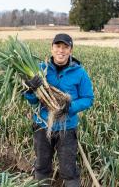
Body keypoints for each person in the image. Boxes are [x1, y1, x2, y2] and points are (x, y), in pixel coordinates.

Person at [24, 33, 94, 187]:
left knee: (69, 170)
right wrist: (30, 90)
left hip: (67, 128)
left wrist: (71, 106)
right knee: (42, 166)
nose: (61, 50)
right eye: (57, 46)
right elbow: (33, 101)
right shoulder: (41, 69)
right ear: (52, 48)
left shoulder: (80, 73)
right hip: (42, 125)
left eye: (65, 47)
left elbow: (88, 98)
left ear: (71, 50)